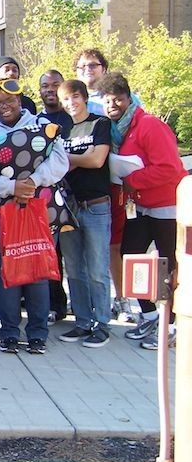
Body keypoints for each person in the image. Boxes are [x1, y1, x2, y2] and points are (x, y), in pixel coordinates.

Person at [0, 79, 69, 355]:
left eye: (10, 101)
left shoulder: (42, 126)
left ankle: (37, 334)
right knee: (7, 273)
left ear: (20, 100)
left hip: (39, 212)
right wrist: (11, 187)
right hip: (2, 214)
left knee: (38, 273)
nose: (5, 107)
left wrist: (33, 182)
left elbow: (59, 161)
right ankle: (9, 333)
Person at [98, 73, 186, 350]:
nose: (112, 105)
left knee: (169, 265)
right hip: (139, 205)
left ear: (129, 99)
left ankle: (172, 325)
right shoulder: (116, 130)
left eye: (118, 99)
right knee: (131, 255)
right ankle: (150, 316)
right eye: (107, 101)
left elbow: (170, 168)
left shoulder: (149, 125)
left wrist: (133, 180)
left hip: (167, 205)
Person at [74, 49, 140, 322]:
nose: (88, 70)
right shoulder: (76, 101)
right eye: (82, 66)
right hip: (85, 187)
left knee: (115, 245)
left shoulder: (124, 99)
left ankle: (121, 300)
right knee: (80, 251)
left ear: (104, 68)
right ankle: (85, 303)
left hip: (120, 183)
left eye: (93, 65)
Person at [55, 79, 113, 348]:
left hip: (96, 206)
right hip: (69, 207)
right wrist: (81, 158)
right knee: (74, 269)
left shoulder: (100, 124)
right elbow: (57, 165)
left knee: (97, 270)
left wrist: (71, 160)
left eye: (75, 97)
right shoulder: (62, 131)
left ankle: (102, 324)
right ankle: (82, 321)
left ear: (85, 97)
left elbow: (97, 160)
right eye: (66, 99)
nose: (71, 103)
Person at [37, 70, 70, 324]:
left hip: (82, 196)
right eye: (45, 86)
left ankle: (85, 310)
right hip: (49, 197)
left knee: (78, 259)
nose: (50, 89)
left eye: (55, 85)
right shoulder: (36, 122)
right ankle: (54, 305)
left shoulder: (75, 116)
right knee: (50, 252)